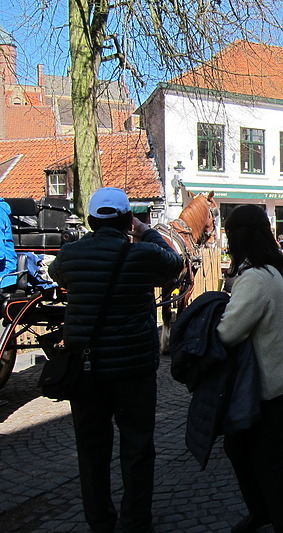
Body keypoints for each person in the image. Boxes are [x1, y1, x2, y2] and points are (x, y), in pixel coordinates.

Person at [48, 187, 183, 533]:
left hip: (86, 369)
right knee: (137, 447)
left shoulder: (71, 255)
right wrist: (145, 231)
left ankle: (100, 522)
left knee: (91, 453)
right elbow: (175, 263)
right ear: (127, 218)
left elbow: (56, 275)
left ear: (91, 221)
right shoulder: (142, 255)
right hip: (133, 370)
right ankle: (136, 522)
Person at [215, 205, 283, 533]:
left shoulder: (255, 277)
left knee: (268, 462)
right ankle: (261, 510)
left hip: (274, 383)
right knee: (238, 447)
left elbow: (228, 332)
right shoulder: (268, 269)